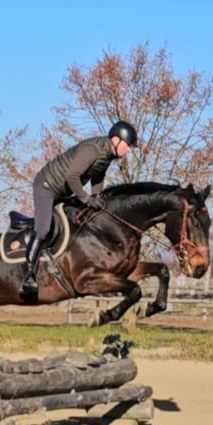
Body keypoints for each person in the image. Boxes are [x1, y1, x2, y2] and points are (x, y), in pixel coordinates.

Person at [19, 120, 139, 295]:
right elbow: (72, 176)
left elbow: (97, 179)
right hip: (47, 185)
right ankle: (28, 274)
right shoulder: (92, 150)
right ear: (116, 140)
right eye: (128, 145)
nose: (129, 150)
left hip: (64, 192)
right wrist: (86, 199)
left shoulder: (107, 156)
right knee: (44, 228)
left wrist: (99, 200)